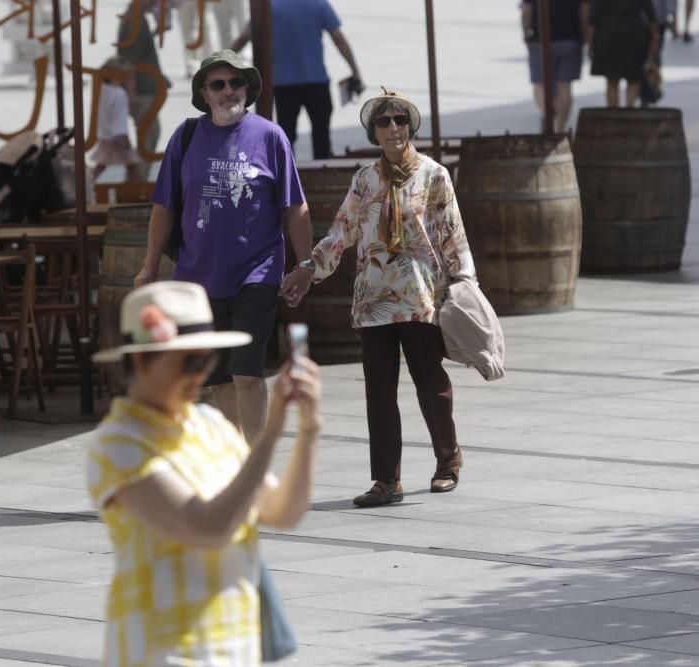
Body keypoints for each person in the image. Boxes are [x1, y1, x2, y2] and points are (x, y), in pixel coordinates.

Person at [87, 280, 321, 666]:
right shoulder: (118, 443)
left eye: (208, 361)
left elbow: (283, 512)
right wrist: (273, 430)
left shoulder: (210, 425)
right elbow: (208, 528)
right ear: (143, 361)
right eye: (190, 362)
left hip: (235, 649)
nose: (202, 375)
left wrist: (310, 427)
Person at [280, 89, 475, 507]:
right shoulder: (365, 180)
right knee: (379, 391)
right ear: (374, 132)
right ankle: (386, 480)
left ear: (410, 127)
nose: (393, 128)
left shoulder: (434, 175)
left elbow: (453, 234)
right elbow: (342, 231)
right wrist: (309, 268)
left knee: (430, 383)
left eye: (400, 120)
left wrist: (464, 283)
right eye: (384, 122)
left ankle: (447, 458)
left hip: (420, 296)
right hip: (373, 300)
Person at [133, 50, 314, 442]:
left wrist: (306, 263)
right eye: (219, 84)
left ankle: (255, 464)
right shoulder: (185, 137)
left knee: (247, 372)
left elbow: (294, 206)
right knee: (218, 382)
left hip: (258, 272)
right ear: (205, 93)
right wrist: (149, 266)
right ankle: (231, 464)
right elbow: (164, 206)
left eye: (236, 83)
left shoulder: (270, 136)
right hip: (198, 277)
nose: (229, 91)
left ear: (247, 89)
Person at [232, 0, 363, 160]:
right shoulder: (318, 4)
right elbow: (339, 39)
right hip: (316, 81)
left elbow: (243, 38)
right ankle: (322, 175)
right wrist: (355, 70)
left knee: (286, 137)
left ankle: (288, 179)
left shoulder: (270, 7)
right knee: (321, 136)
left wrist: (219, 63)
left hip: (283, 84)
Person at [117, 0, 169, 180]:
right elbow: (129, 62)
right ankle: (136, 184)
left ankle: (136, 182)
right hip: (141, 91)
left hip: (143, 89)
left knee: (148, 136)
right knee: (148, 136)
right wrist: (131, 95)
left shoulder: (136, 18)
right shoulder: (135, 20)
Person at [521, 0, 590, 133]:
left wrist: (526, 33)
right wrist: (586, 35)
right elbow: (585, 11)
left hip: (540, 38)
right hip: (571, 38)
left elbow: (526, 11)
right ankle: (559, 129)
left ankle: (548, 116)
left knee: (540, 84)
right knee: (565, 86)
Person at [586, 0, 660, 107]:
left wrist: (590, 41)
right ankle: (629, 110)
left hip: (609, 33)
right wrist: (655, 36)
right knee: (634, 78)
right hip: (634, 33)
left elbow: (593, 16)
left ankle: (613, 115)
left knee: (612, 79)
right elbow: (650, 14)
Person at [91, 56, 141, 181]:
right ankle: (138, 193)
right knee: (133, 166)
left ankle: (83, 186)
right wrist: (123, 137)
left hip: (105, 135)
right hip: (118, 136)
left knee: (101, 165)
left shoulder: (102, 90)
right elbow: (119, 118)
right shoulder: (119, 93)